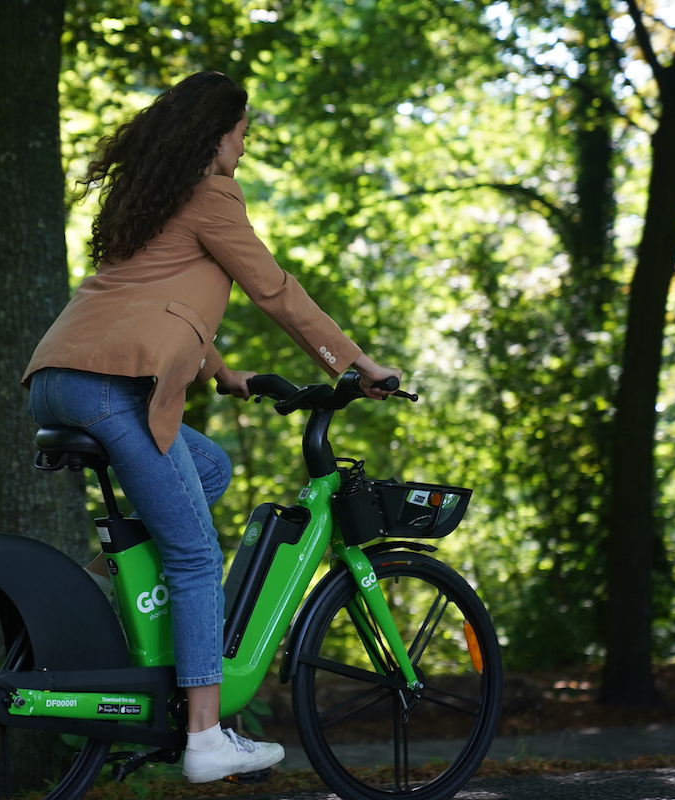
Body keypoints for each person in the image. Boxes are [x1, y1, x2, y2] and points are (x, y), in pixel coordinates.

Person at [22, 71, 401, 783]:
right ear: (215, 133)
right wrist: (354, 364)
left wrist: (220, 372)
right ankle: (204, 737)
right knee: (197, 557)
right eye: (242, 129)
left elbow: (157, 298)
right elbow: (275, 291)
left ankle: (104, 581)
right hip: (110, 388)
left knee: (210, 469)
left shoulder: (152, 198)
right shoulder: (213, 193)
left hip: (55, 380)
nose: (246, 141)